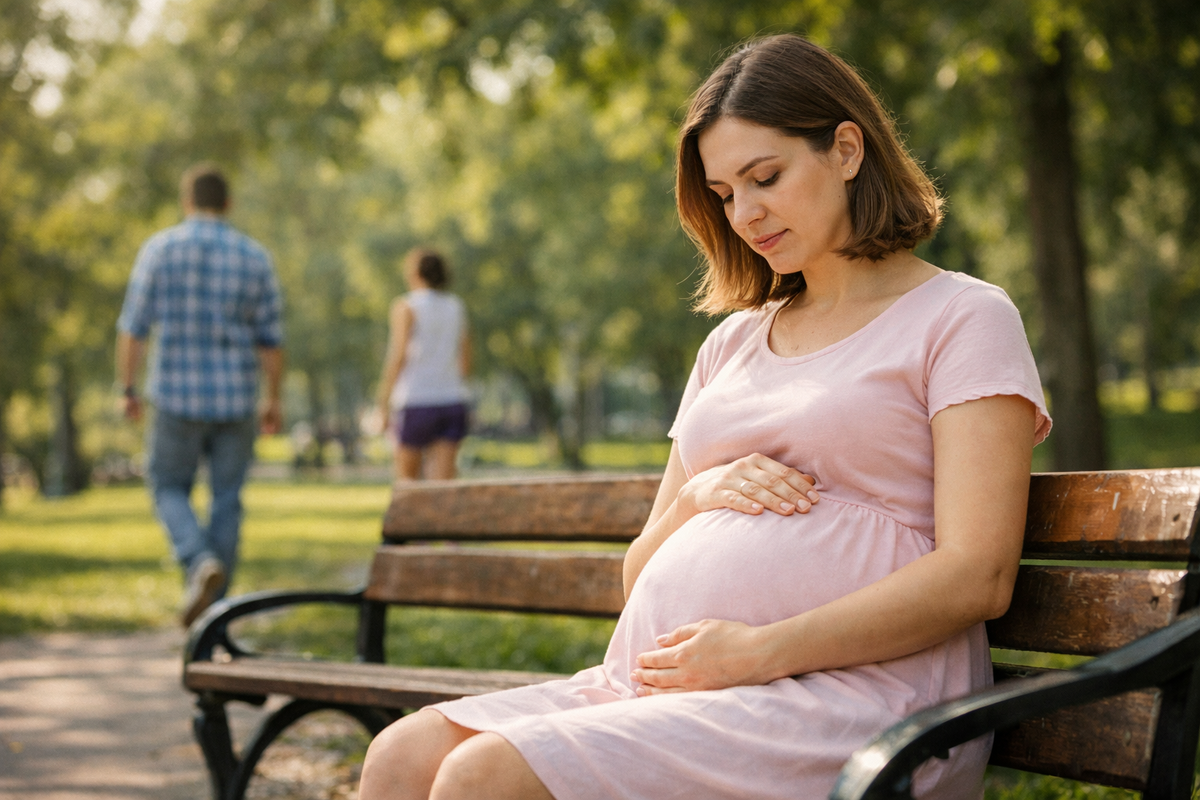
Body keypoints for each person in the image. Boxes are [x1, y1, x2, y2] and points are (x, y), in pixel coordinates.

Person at [358, 33, 1050, 800]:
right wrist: (696, 497)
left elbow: (978, 576)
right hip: (673, 687)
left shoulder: (962, 317)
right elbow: (636, 577)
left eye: (765, 177)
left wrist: (759, 651)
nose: (745, 214)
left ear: (847, 150)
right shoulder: (731, 343)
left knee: (480, 776)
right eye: (724, 194)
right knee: (399, 756)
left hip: (864, 700)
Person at [115, 163, 284, 628]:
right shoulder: (254, 256)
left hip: (174, 396)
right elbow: (271, 339)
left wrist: (128, 387)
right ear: (228, 203)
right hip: (236, 397)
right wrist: (273, 397)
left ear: (187, 201)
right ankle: (215, 613)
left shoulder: (159, 249)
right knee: (227, 498)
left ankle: (197, 560)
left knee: (167, 485)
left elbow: (133, 327)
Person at [375, 249, 471, 482]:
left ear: (415, 274)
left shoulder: (406, 306)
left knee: (408, 483)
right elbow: (466, 360)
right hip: (452, 399)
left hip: (416, 400)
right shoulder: (456, 306)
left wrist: (383, 402)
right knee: (443, 485)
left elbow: (398, 356)